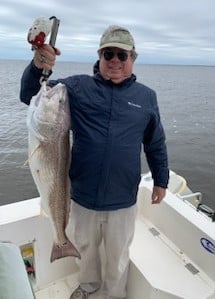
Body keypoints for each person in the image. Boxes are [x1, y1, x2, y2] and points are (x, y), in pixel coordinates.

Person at [20, 25, 169, 299]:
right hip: (82, 194)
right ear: (99, 56)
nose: (114, 60)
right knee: (86, 249)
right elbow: (31, 94)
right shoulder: (76, 87)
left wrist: (161, 180)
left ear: (132, 58)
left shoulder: (146, 97)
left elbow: (155, 142)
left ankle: (114, 294)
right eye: (108, 53)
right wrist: (38, 65)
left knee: (118, 254)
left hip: (123, 196)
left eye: (121, 55)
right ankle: (88, 286)